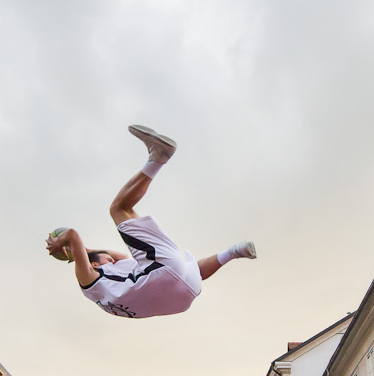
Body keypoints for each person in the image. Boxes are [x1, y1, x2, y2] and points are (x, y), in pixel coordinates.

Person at [45, 127, 255, 319]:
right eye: (107, 258)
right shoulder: (87, 278)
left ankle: (236, 251)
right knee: (119, 210)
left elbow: (122, 256)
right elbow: (72, 234)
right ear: (95, 264)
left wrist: (87, 249)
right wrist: (61, 244)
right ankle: (158, 157)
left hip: (182, 296)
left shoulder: (112, 280)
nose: (113, 258)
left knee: (190, 270)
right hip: (159, 274)